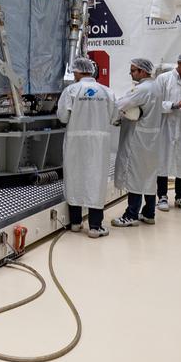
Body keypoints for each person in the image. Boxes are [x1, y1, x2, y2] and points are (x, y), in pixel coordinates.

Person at [57, 56, 118, 237]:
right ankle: (95, 226)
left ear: (77, 71)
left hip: (76, 142)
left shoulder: (71, 91)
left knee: (75, 177)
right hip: (99, 143)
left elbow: (62, 117)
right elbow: (115, 118)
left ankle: (75, 223)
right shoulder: (107, 92)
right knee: (96, 180)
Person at [110, 57, 164, 228]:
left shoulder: (142, 89)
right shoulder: (156, 87)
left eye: (133, 70)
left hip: (137, 139)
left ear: (143, 71)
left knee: (134, 177)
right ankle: (149, 213)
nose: (131, 73)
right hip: (151, 139)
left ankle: (131, 214)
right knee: (148, 176)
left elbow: (121, 105)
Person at [152, 52, 181, 211]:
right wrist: (174, 105)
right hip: (167, 125)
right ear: (178, 63)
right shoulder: (163, 79)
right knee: (163, 160)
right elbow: (156, 103)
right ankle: (162, 196)